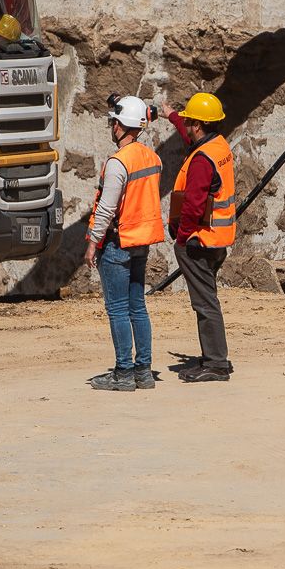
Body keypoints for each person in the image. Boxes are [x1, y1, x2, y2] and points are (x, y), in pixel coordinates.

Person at [85, 96, 164, 391]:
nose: (111, 127)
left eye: (112, 123)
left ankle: (123, 373)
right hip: (141, 242)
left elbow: (106, 209)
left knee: (118, 309)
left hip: (118, 243)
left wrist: (93, 243)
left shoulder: (118, 163)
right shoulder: (152, 159)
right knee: (137, 307)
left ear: (119, 127)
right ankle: (143, 372)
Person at [162, 92, 237, 383]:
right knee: (208, 301)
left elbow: (193, 205)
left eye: (189, 121)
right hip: (217, 238)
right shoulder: (217, 145)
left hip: (198, 241)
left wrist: (181, 238)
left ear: (198, 124)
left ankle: (216, 364)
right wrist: (172, 116)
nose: (187, 126)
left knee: (205, 303)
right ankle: (213, 358)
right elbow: (189, 137)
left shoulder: (202, 160)